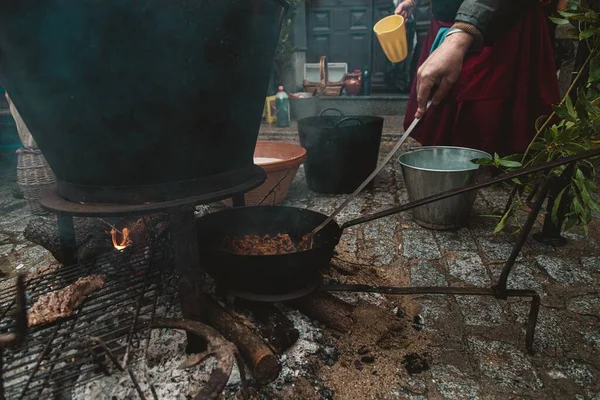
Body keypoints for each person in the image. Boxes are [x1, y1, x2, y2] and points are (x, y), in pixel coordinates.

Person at [395, 0, 561, 156]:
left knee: (484, 125)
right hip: (448, 22)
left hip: (498, 25)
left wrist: (462, 34)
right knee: (438, 105)